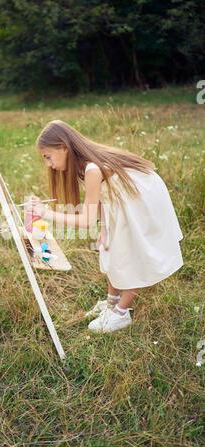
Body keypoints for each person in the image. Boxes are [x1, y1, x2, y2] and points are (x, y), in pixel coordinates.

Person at [27, 119, 184, 333]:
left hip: (141, 196)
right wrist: (104, 229)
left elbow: (85, 220)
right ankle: (111, 302)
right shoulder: (83, 166)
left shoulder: (91, 168)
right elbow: (100, 196)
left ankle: (121, 312)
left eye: (48, 156)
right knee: (109, 246)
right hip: (121, 198)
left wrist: (46, 213)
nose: (48, 164)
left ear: (63, 147)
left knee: (131, 252)